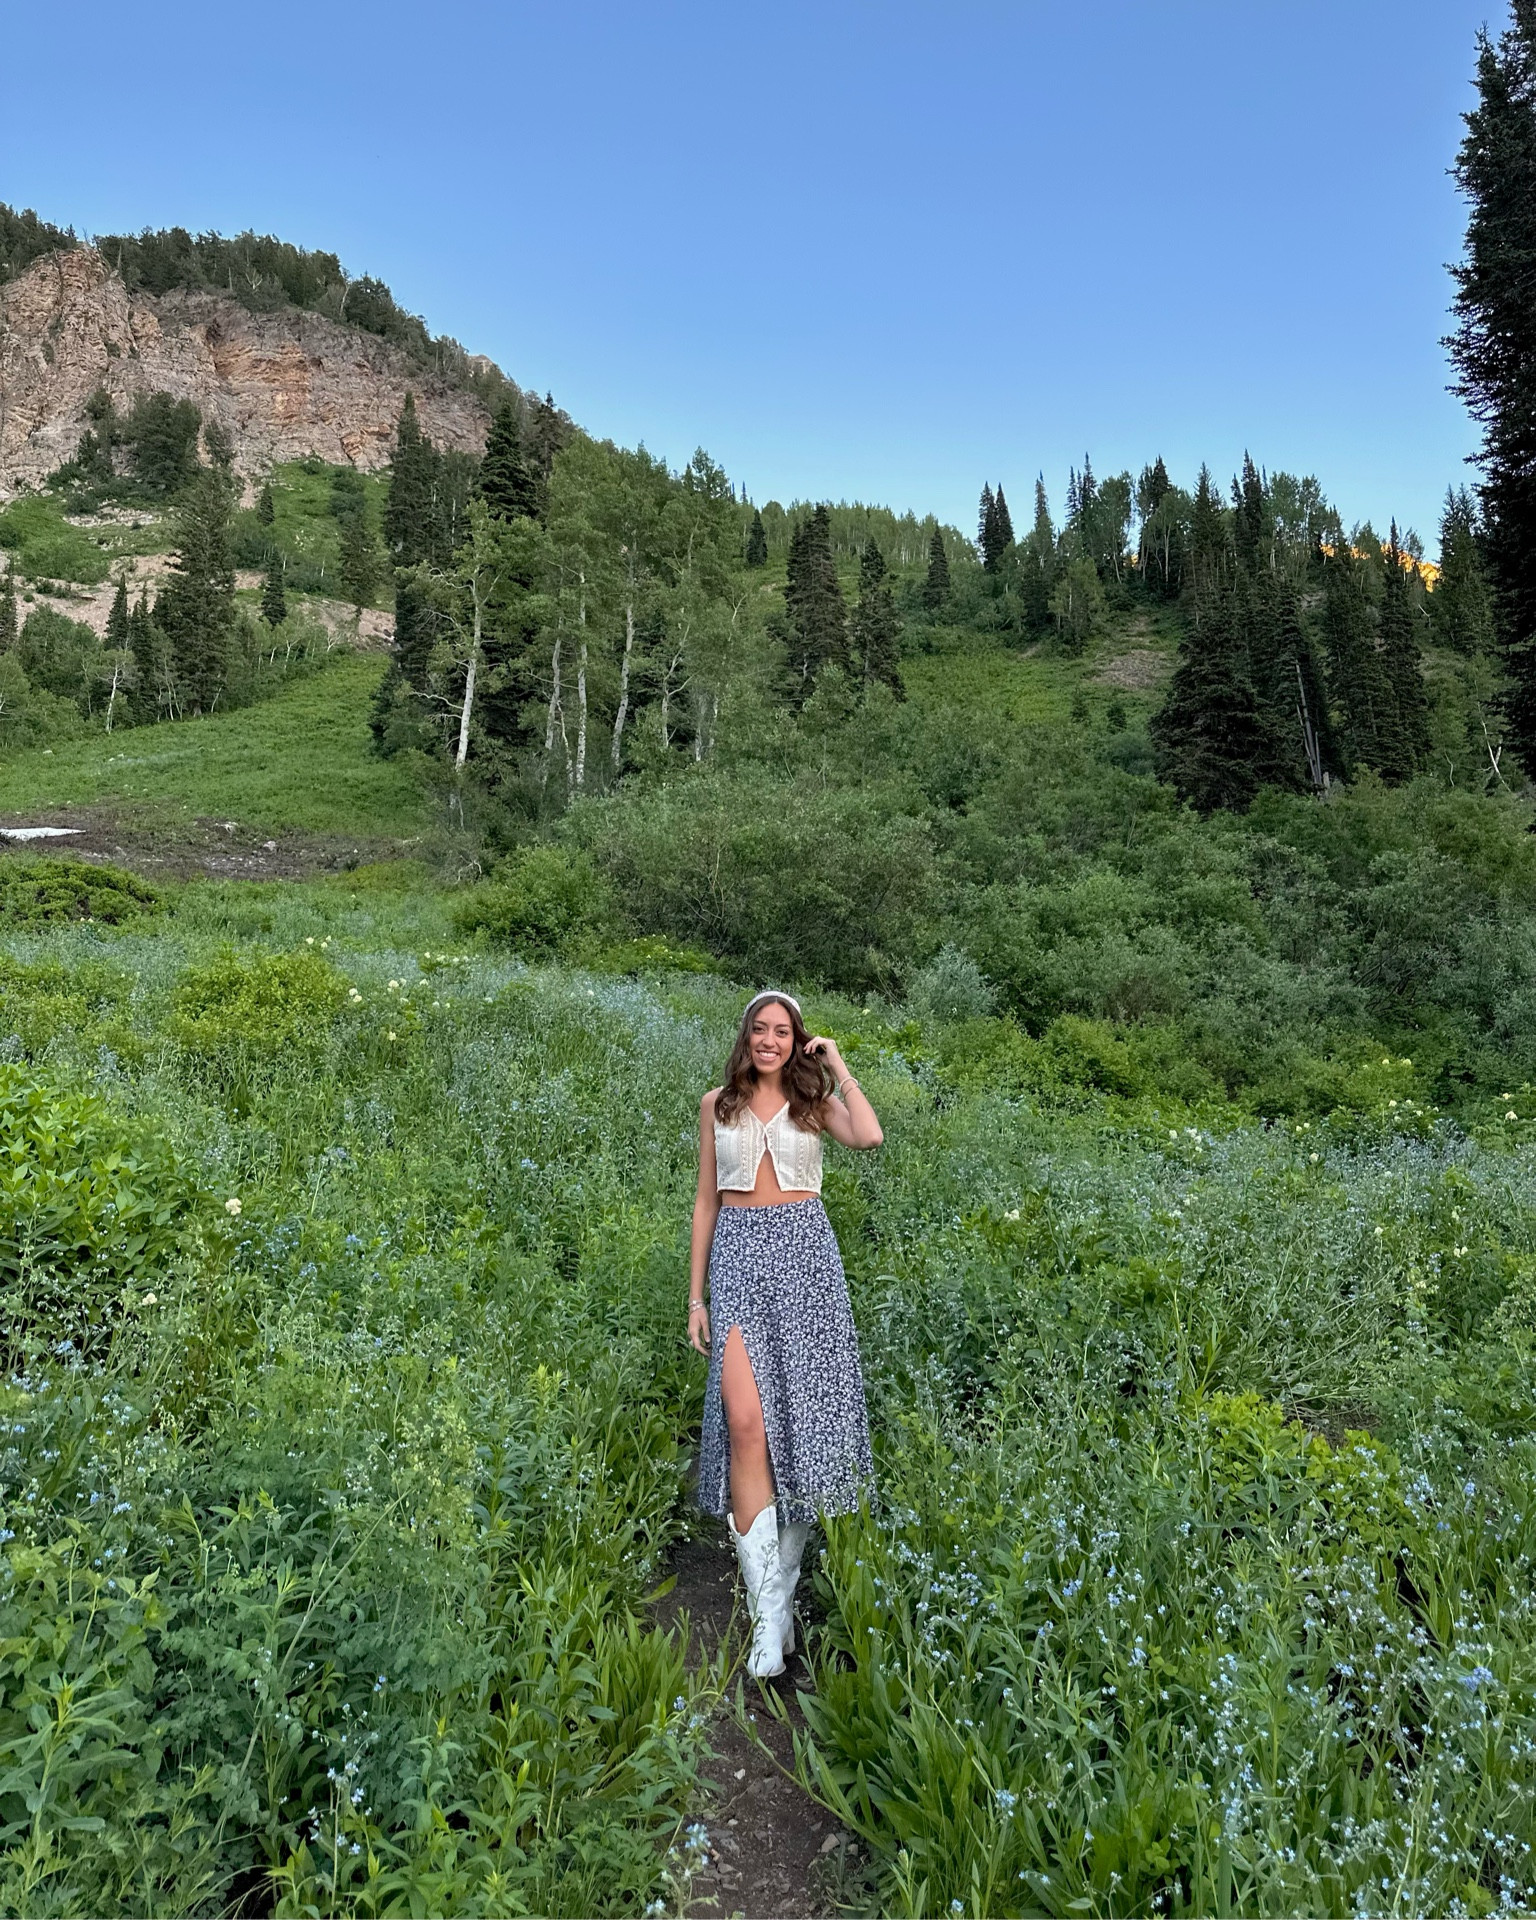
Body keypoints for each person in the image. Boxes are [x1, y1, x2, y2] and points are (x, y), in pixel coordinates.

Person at [689, 989, 883, 1678]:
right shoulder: (719, 1104)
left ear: (797, 1040)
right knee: (746, 1424)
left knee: (797, 1429)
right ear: (745, 1036)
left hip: (806, 1261)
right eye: (760, 1030)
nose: (770, 1040)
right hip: (739, 1258)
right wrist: (695, 1299)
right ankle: (768, 1614)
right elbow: (706, 1200)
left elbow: (870, 1135)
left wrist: (836, 1062)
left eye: (784, 1031)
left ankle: (779, 1613)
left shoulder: (813, 1103)